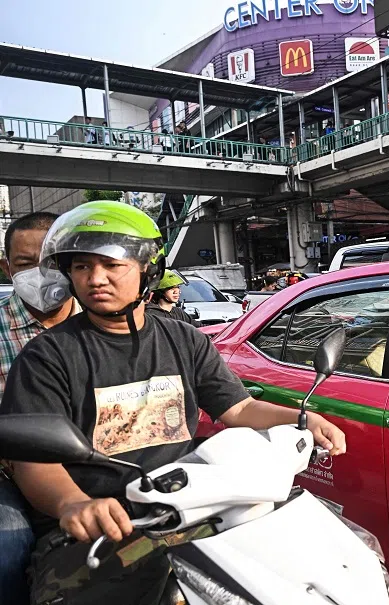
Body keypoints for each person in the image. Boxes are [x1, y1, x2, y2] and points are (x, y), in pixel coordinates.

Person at [0, 201, 346, 605]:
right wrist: (73, 502)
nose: (96, 279)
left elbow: (238, 409)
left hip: (192, 505)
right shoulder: (47, 356)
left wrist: (303, 418)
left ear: (148, 270)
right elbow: (35, 459)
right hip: (101, 527)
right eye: (81, 267)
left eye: (112, 265)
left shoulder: (185, 340)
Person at [0, 212, 81, 605]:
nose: (39, 274)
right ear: (5, 267)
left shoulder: (106, 323)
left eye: (49, 262)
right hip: (9, 474)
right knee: (7, 550)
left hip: (95, 465)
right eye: (24, 264)